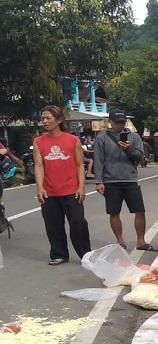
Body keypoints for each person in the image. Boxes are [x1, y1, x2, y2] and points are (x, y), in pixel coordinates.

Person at [32, 105, 91, 265]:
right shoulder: (38, 142)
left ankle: (86, 255)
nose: (44, 121)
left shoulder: (73, 140)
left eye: (48, 118)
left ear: (58, 120)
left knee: (78, 223)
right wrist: (40, 188)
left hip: (71, 190)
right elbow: (39, 166)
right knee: (53, 225)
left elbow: (80, 165)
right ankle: (59, 254)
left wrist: (81, 187)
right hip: (49, 192)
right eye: (43, 118)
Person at [93, 110, 158, 252]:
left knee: (139, 210)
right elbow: (98, 160)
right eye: (117, 123)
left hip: (130, 179)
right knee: (114, 212)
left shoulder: (134, 137)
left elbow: (141, 157)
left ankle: (141, 241)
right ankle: (120, 241)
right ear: (110, 122)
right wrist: (98, 181)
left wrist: (129, 149)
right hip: (111, 181)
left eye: (122, 122)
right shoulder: (101, 138)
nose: (120, 125)